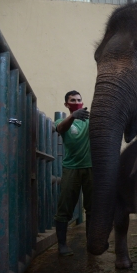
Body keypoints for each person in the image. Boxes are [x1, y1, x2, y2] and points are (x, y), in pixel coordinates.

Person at [54, 90, 92, 256]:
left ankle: (92, 243)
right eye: (73, 100)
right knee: (65, 207)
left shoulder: (89, 120)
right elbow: (60, 128)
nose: (77, 102)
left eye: (79, 100)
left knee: (92, 207)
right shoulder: (63, 120)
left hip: (91, 168)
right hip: (71, 168)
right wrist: (73, 116)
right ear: (66, 105)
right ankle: (62, 245)